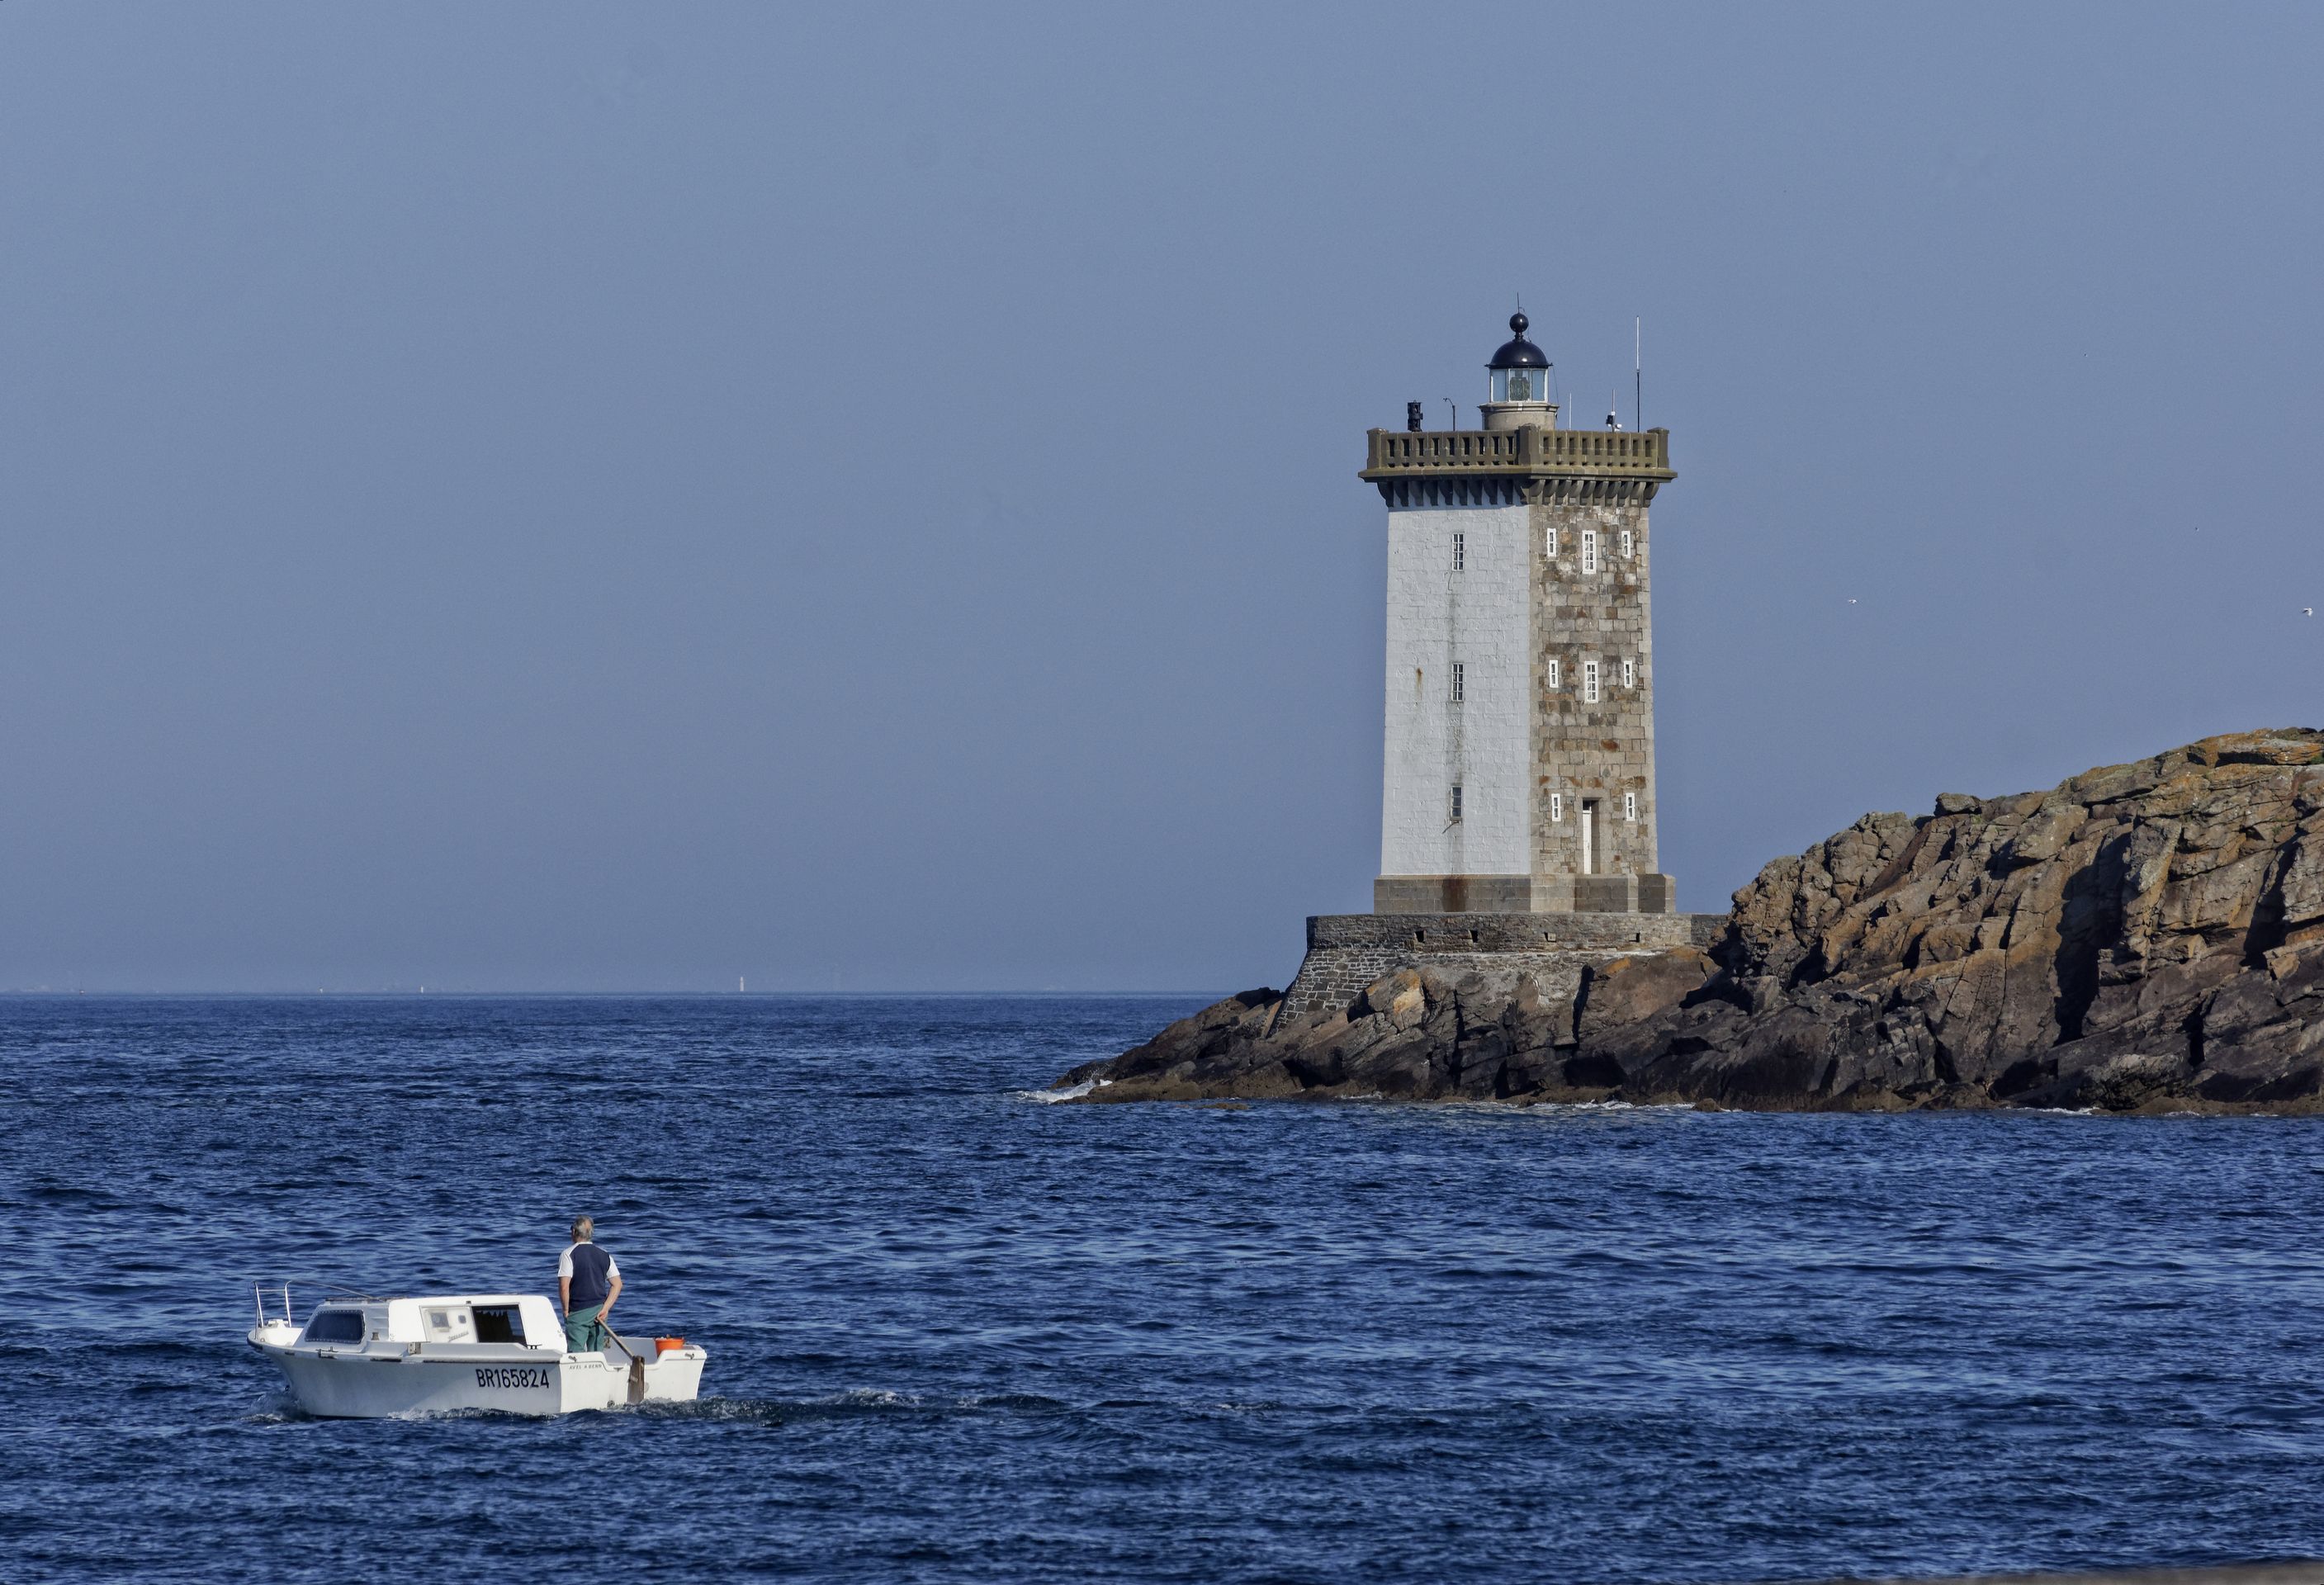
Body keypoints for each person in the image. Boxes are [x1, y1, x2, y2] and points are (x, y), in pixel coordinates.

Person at [558, 1214, 622, 1352]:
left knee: (576, 1355)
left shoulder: (568, 1254)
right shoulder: (604, 1254)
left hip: (578, 1311)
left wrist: (565, 1311)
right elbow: (617, 1284)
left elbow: (564, 1287)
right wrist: (606, 1308)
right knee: (596, 1352)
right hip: (600, 1311)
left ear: (574, 1232)